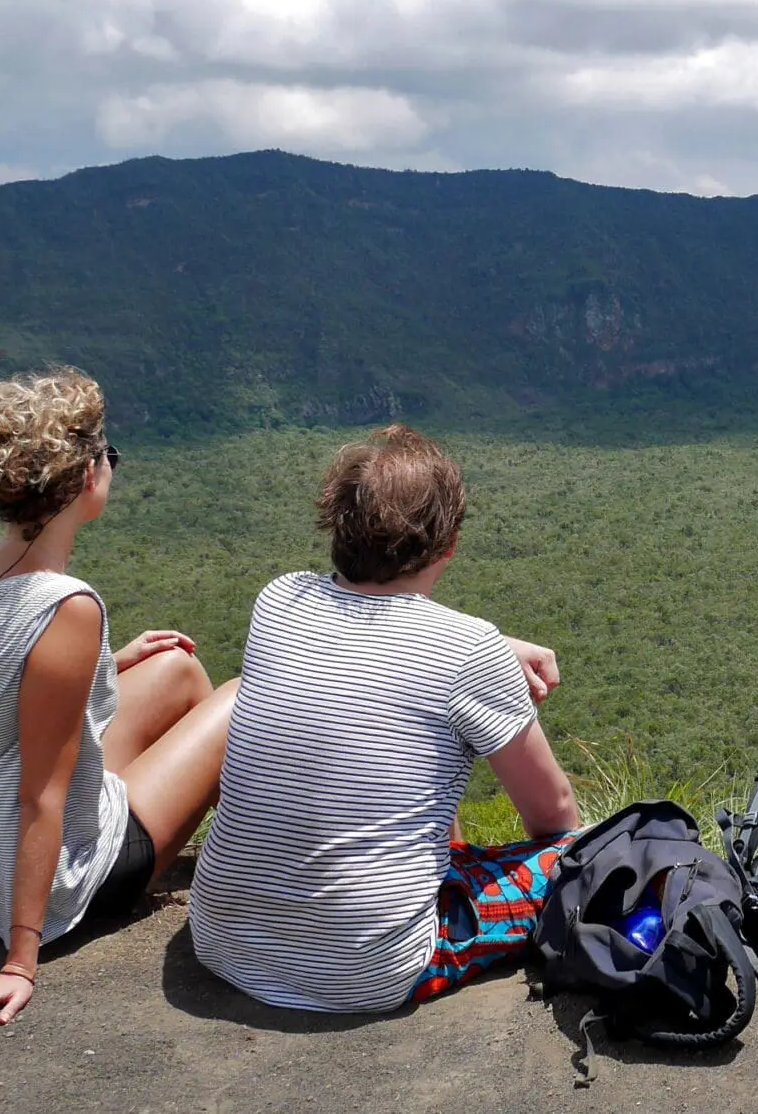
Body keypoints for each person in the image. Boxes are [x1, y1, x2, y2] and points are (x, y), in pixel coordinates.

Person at [189, 425, 579, 1012]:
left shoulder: (278, 601)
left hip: (220, 940)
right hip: (366, 969)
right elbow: (553, 818)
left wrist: (495, 651)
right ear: (448, 545)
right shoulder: (469, 652)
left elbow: (369, 660)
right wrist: (492, 655)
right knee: (592, 853)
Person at [0, 368, 239, 1039]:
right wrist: (20, 960)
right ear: (85, 478)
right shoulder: (69, 605)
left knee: (175, 667)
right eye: (107, 454)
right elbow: (42, 796)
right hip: (28, 887)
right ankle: (232, 866)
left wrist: (107, 665)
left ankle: (197, 841)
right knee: (239, 699)